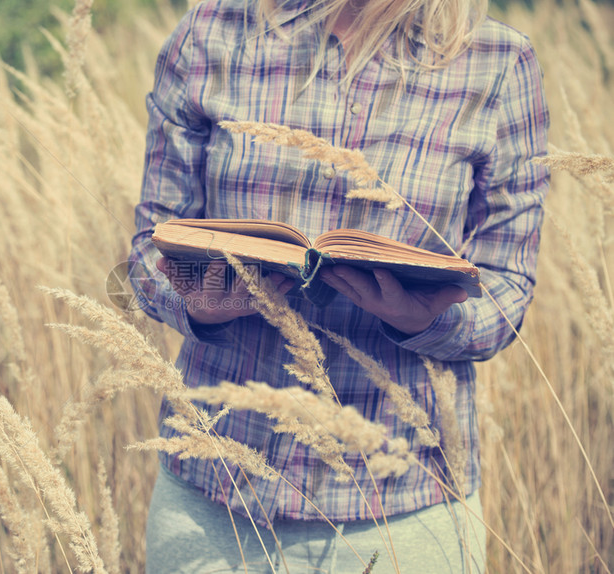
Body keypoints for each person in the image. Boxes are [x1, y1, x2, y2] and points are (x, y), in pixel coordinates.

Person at [128, 0, 549, 569]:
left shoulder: (497, 61)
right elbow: (145, 256)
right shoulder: (213, 32)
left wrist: (426, 318)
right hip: (214, 495)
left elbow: (508, 289)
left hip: (403, 511)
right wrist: (198, 304)